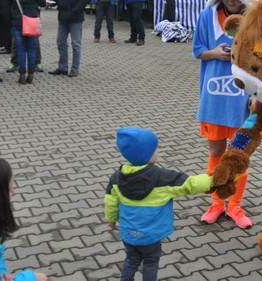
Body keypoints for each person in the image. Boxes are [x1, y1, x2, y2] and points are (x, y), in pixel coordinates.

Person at [105, 127, 215, 281]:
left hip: (128, 233)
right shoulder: (162, 178)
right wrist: (212, 180)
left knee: (131, 259)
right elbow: (189, 184)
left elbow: (110, 200)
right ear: (147, 155)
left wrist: (111, 218)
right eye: (155, 149)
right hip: (151, 236)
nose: (157, 151)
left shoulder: (117, 178)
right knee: (151, 262)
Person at [192, 0, 252, 229]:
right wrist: (214, 53)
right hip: (214, 97)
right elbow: (197, 51)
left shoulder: (255, 16)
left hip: (242, 99)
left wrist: (258, 92)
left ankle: (235, 206)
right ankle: (217, 203)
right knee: (216, 151)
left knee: (238, 155)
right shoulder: (207, 15)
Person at [48, 0, 89, 77]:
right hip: (63, 17)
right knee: (61, 42)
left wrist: (76, 10)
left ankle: (74, 69)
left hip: (75, 18)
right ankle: (63, 68)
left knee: (76, 44)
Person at [11, 0, 46, 84]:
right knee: (31, 49)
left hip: (18, 20)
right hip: (32, 20)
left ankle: (22, 74)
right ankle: (31, 73)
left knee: (20, 49)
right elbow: (43, 3)